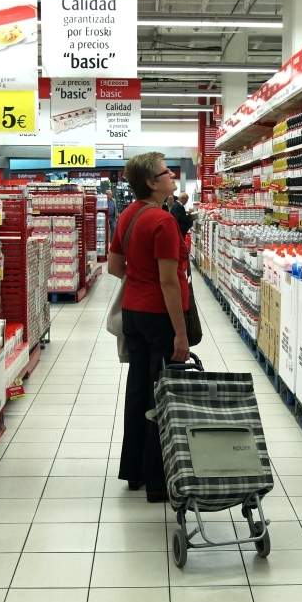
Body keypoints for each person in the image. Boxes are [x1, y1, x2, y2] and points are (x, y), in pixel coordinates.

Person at [107, 152, 190, 503]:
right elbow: (169, 283)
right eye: (166, 173)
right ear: (152, 183)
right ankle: (159, 480)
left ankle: (135, 471)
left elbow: (113, 267)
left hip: (133, 314)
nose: (172, 176)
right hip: (159, 318)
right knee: (164, 393)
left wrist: (138, 280)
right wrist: (181, 334)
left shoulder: (128, 215)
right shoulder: (162, 222)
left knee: (139, 388)